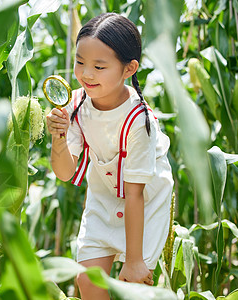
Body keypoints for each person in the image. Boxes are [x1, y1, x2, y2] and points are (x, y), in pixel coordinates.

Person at [46, 13, 174, 299]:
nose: (86, 74)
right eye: (80, 63)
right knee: (88, 283)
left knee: (134, 287)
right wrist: (59, 137)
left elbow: (135, 195)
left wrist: (134, 259)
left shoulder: (140, 121)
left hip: (144, 202)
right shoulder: (78, 105)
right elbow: (66, 173)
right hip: (103, 198)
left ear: (129, 69)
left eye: (99, 66)